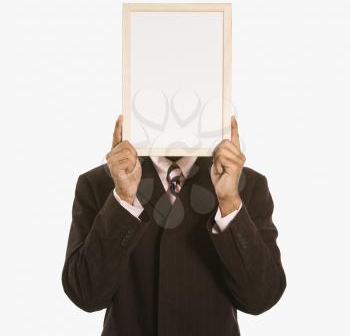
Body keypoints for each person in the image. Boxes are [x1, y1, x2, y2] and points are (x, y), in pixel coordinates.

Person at [61, 114, 286, 336]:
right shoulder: (97, 185)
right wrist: (123, 200)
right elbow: (85, 295)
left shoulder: (248, 187)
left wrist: (229, 201)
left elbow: (261, 298)